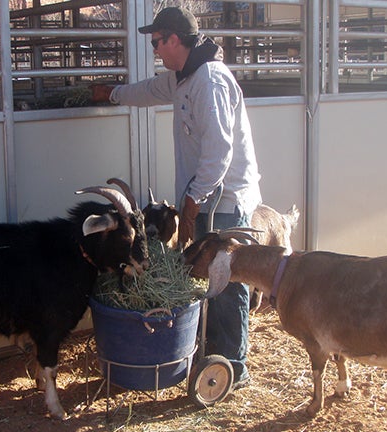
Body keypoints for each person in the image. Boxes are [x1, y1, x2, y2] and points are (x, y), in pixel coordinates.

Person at [90, 7, 261, 390]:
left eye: (156, 42)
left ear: (174, 40)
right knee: (207, 277)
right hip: (205, 197)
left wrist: (190, 204)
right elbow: (149, 90)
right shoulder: (184, 77)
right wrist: (113, 93)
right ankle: (214, 349)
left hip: (224, 199)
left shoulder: (210, 81)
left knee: (226, 278)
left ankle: (233, 365)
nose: (154, 49)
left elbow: (219, 154)